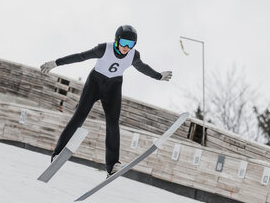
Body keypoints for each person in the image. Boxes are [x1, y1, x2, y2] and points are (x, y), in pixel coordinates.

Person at [40, 25, 172, 177]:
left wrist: (158, 76)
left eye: (130, 45)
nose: (126, 48)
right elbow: (81, 56)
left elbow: (143, 67)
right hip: (95, 83)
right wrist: (56, 63)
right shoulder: (104, 48)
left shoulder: (133, 55)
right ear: (116, 41)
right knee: (79, 116)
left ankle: (112, 165)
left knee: (113, 123)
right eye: (123, 43)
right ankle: (58, 153)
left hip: (114, 87)